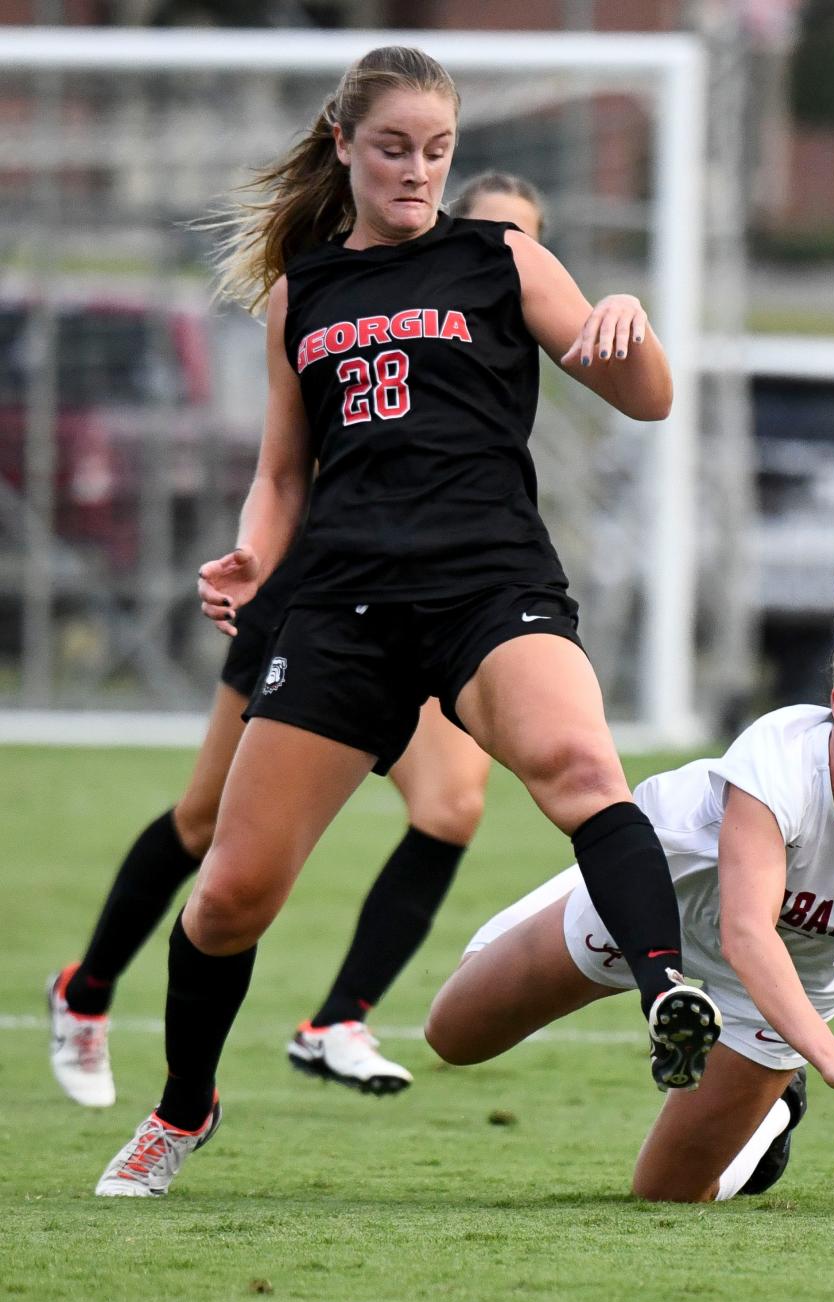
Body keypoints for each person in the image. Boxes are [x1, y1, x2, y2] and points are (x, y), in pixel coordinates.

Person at [93, 46, 719, 1198]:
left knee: (582, 766)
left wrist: (629, 323)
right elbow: (283, 478)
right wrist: (250, 554)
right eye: (394, 148)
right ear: (344, 145)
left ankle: (669, 990)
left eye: (437, 150)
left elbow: (646, 396)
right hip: (342, 608)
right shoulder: (303, 292)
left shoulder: (501, 259)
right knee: (230, 896)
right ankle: (183, 1109)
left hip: (490, 586)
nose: (419, 170)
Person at [47, 173, 552, 1108]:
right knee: (207, 828)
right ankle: (84, 994)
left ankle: (335, 1020)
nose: (499, 253)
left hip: (439, 606)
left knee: (450, 805)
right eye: (488, 232)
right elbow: (286, 469)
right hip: (319, 600)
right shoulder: (357, 293)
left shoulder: (513, 314)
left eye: (521, 239)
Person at [423, 491, 834, 1216]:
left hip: (778, 994)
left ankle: (774, 1114)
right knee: (453, 1035)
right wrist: (831, 1057)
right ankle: (575, 897)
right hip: (659, 911)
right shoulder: (779, 759)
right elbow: (747, 928)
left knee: (668, 1194)